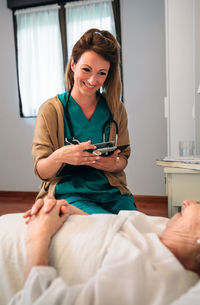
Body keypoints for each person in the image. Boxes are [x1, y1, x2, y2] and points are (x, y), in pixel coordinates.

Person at [8, 198, 200, 305]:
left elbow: (39, 301)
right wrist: (75, 213)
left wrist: (38, 236)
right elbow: (119, 223)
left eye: (199, 204)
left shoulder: (149, 279)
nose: (187, 202)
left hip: (26, 239)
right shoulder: (162, 225)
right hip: (59, 216)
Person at [32, 28, 136, 214]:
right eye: (86, 69)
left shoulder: (116, 108)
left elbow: (124, 157)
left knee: (133, 223)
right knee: (108, 226)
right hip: (69, 193)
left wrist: (113, 164)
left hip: (112, 193)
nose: (92, 80)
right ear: (73, 64)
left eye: (101, 73)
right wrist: (61, 156)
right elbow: (42, 170)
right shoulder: (50, 111)